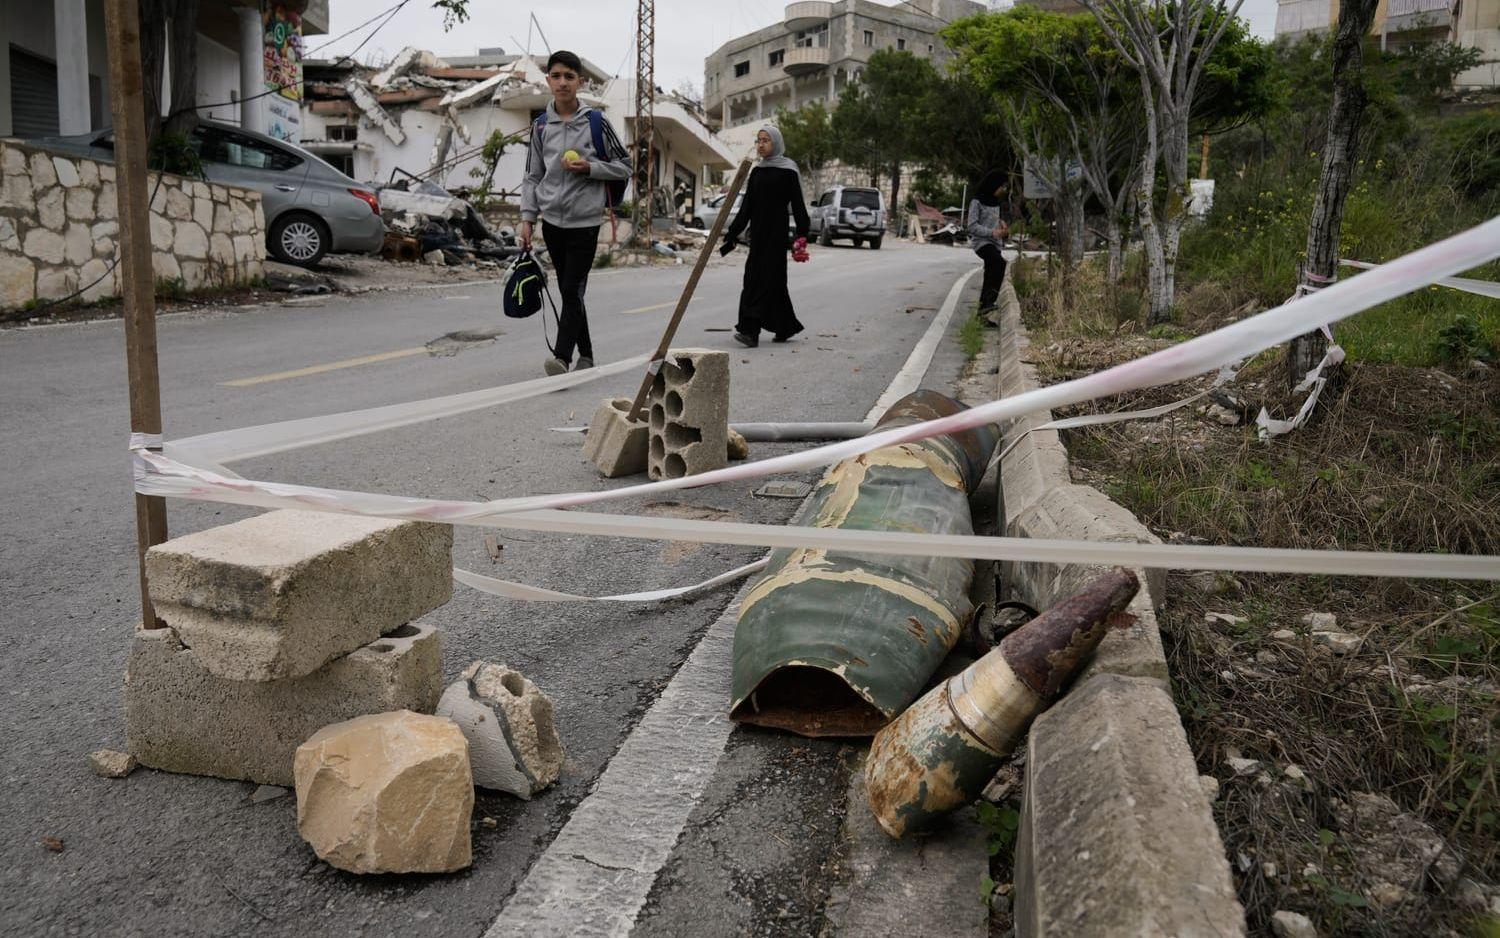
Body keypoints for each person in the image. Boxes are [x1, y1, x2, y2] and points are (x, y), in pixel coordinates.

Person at [520, 50, 632, 376]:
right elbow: (532, 176)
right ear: (548, 81)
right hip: (552, 222)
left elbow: (625, 166)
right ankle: (587, 353)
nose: (562, 82)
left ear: (580, 82)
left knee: (571, 289)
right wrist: (527, 219)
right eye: (556, 76)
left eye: (569, 76)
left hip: (585, 220)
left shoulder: (596, 122)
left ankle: (561, 357)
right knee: (571, 290)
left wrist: (590, 168)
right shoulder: (541, 126)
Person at [719, 125, 811, 348]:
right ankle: (785, 325)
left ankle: (750, 331)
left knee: (760, 282)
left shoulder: (789, 170)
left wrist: (802, 234)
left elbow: (798, 205)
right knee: (771, 282)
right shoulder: (757, 171)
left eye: (766, 140)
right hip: (758, 235)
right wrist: (732, 233)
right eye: (758, 140)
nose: (761, 144)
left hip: (777, 235)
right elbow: (746, 208)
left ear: (776, 143)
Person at [967, 168, 1010, 319]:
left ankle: (983, 312)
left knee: (991, 272)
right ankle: (988, 303)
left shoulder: (996, 202)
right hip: (982, 243)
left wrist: (1002, 224)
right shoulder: (976, 202)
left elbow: (993, 220)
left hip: (995, 243)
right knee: (999, 264)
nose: (1003, 190)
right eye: (1002, 186)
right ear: (993, 184)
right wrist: (992, 232)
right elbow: (972, 226)